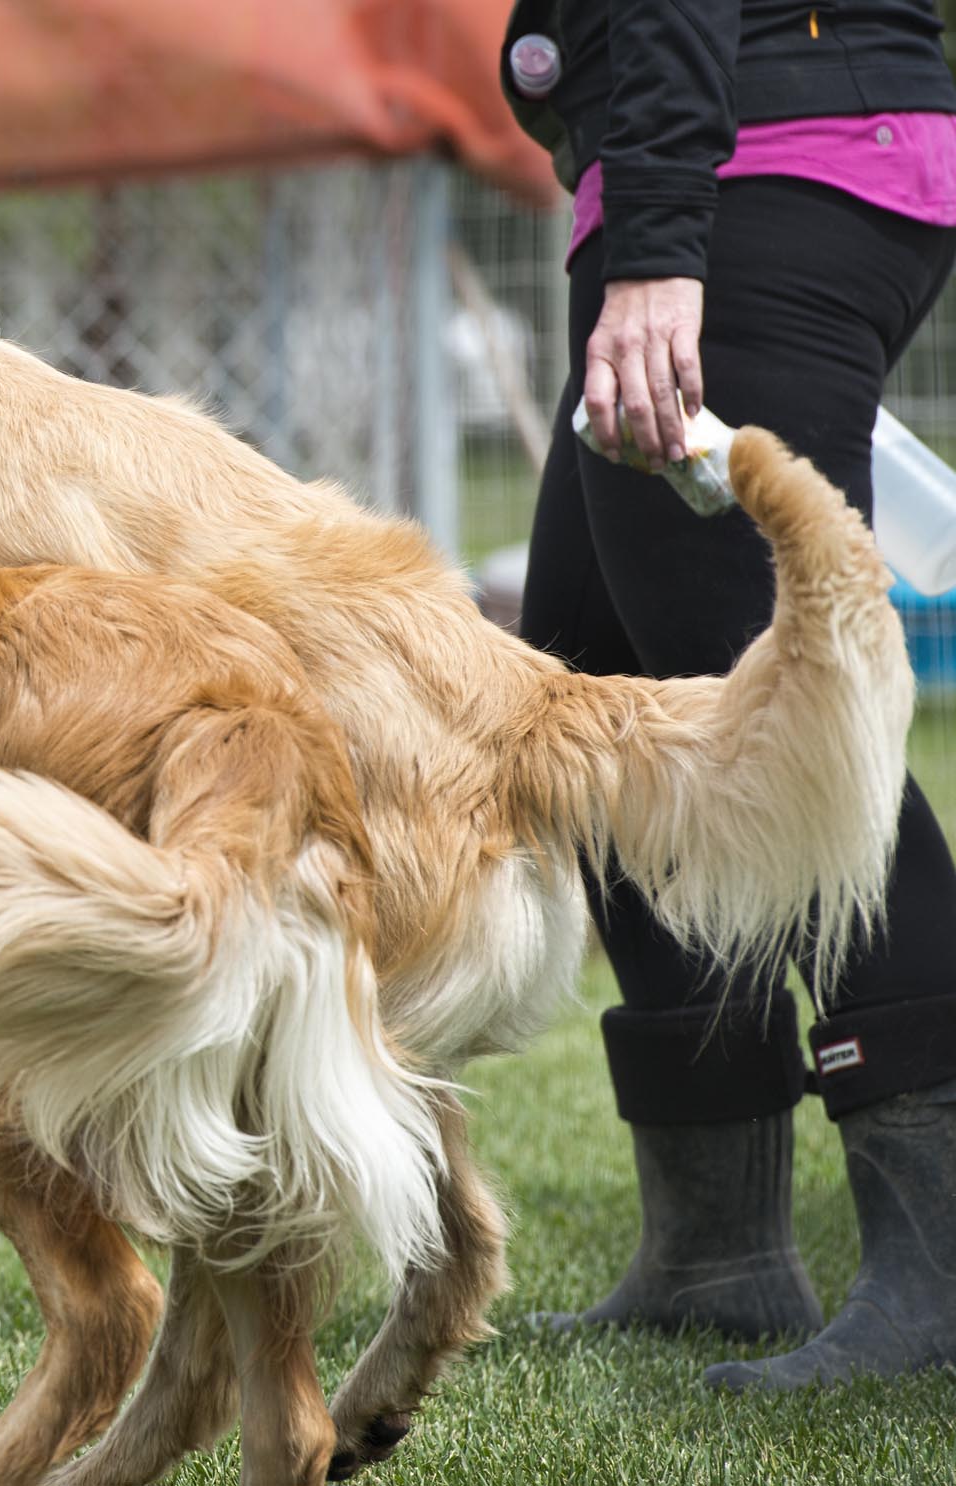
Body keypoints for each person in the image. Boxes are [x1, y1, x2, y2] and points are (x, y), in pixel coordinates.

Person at [504, 0, 956, 1388]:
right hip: (724, 159)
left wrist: (654, 242)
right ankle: (716, 1254)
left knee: (790, 729)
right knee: (595, 697)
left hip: (750, 168)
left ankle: (941, 1275)